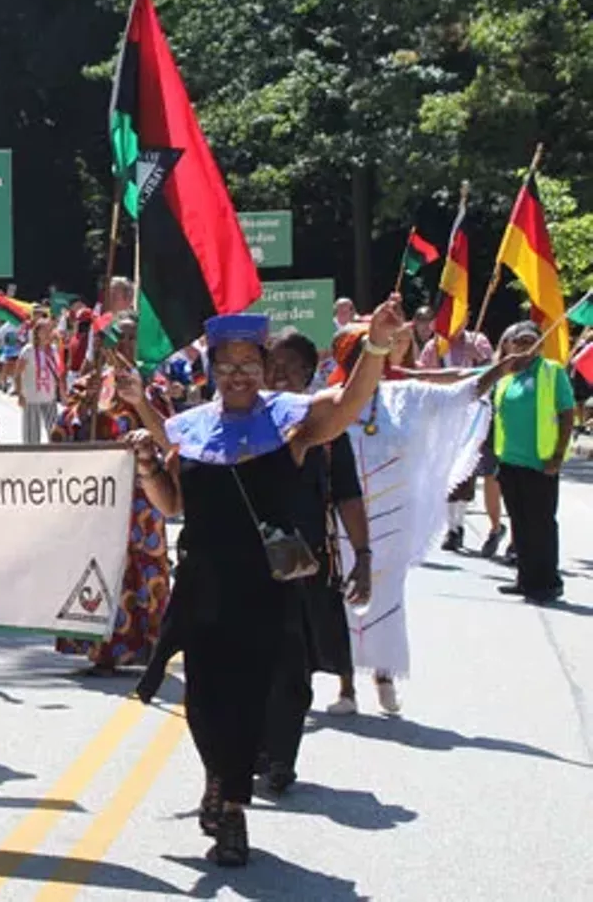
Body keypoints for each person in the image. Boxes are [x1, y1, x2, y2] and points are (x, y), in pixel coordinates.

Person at [124, 297, 406, 866]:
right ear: (211, 374)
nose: (238, 375)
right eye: (226, 366)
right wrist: (150, 466)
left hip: (265, 589)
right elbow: (173, 502)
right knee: (203, 701)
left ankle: (230, 810)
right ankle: (217, 776)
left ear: (263, 365)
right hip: (202, 585)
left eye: (249, 364)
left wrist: (374, 346)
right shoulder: (192, 427)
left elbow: (350, 404)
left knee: (250, 701)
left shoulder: (291, 419)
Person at [328, 320, 529, 714]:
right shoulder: (328, 402)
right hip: (342, 521)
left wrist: (500, 368)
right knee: (341, 599)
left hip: (391, 520)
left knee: (385, 597)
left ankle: (383, 676)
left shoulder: (407, 395)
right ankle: (346, 687)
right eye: (355, 357)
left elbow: (462, 392)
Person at [260, 330, 371, 788]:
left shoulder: (326, 429)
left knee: (294, 665)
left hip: (305, 562)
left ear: (309, 373)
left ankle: (281, 756)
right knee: (253, 661)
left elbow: (347, 495)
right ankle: (257, 749)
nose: (279, 372)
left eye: (290, 366)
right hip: (249, 561)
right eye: (273, 365)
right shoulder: (246, 420)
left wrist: (363, 555)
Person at [53, 313, 172, 674]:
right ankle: (103, 650)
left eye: (131, 339)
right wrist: (83, 411)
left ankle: (149, 646)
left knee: (145, 567)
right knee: (101, 567)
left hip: (143, 496)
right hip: (99, 497)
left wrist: (140, 406)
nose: (124, 346)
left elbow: (172, 438)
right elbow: (60, 438)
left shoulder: (152, 387)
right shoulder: (88, 386)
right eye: (118, 339)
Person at [491, 321, 574, 604]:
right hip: (510, 461)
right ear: (510, 345)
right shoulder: (506, 377)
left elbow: (566, 414)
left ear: (540, 343)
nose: (524, 346)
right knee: (519, 522)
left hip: (541, 462)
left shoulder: (552, 372)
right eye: (519, 341)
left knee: (541, 523)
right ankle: (525, 579)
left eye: (530, 341)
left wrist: (558, 456)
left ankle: (547, 582)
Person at [418, 326, 500, 554]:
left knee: (466, 471)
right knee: (444, 467)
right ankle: (450, 524)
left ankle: (457, 526)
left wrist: (480, 357)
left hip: (471, 414)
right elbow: (424, 374)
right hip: (442, 414)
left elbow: (491, 369)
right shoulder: (434, 346)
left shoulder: (479, 340)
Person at [15, 315, 64, 444]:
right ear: (37, 333)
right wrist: (20, 394)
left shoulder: (53, 350)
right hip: (31, 398)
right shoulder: (28, 351)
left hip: (49, 398)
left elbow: (58, 372)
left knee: (54, 435)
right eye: (45, 330)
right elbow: (17, 374)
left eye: (50, 330)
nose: (49, 334)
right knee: (32, 437)